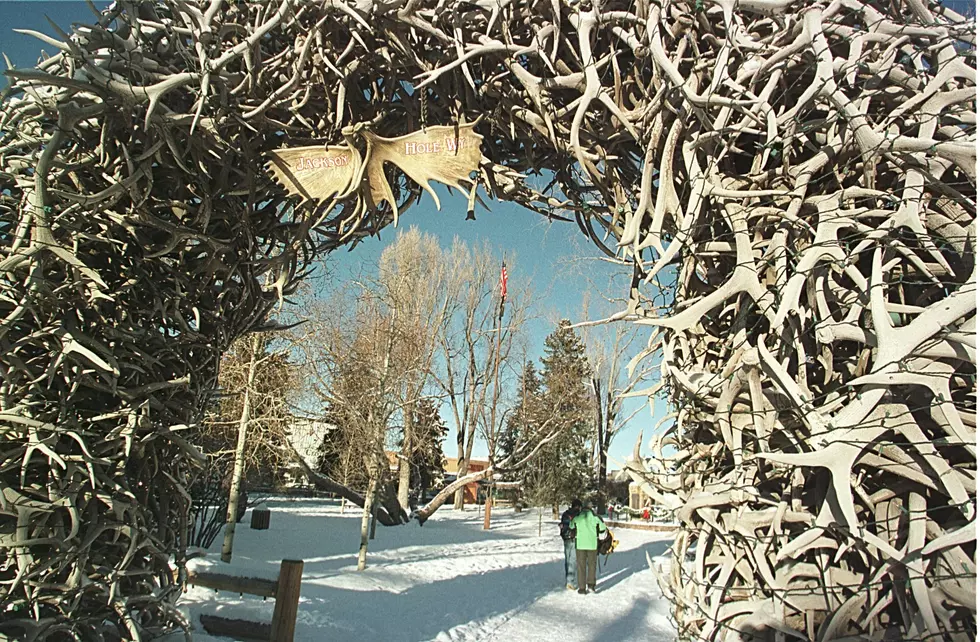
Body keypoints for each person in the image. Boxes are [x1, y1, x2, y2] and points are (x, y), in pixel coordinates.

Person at [570, 499, 607, 594]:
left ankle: (582, 588)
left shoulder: (578, 517)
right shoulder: (595, 517)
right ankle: (591, 585)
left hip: (580, 545)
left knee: (581, 566)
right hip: (592, 544)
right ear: (591, 507)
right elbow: (603, 528)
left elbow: (571, 526)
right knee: (592, 565)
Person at [559, 498, 582, 590]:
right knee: (573, 559)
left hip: (566, 538)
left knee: (567, 559)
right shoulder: (579, 515)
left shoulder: (565, 514)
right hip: (575, 538)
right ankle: (570, 581)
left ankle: (568, 578)